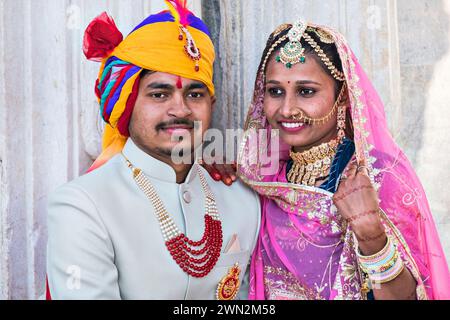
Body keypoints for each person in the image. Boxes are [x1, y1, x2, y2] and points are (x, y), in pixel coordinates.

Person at [207, 20, 450, 300]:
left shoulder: (376, 177)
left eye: (306, 91)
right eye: (275, 91)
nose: (287, 109)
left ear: (342, 97)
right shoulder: (264, 181)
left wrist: (372, 237)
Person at [46, 0, 260, 300]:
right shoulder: (83, 206)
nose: (180, 109)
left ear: (210, 106)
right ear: (126, 104)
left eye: (194, 94)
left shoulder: (243, 199)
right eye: (159, 94)